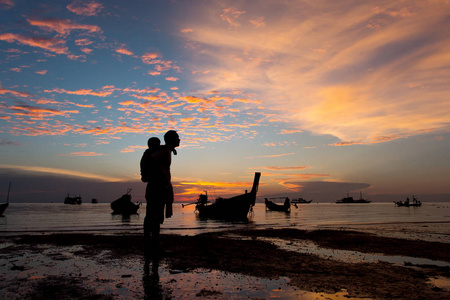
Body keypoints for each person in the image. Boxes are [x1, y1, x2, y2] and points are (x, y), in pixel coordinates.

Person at [142, 130, 180, 257]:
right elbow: (153, 160)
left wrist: (172, 150)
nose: (179, 140)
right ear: (171, 140)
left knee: (154, 218)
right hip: (156, 188)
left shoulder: (166, 150)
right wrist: (155, 176)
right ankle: (153, 246)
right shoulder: (163, 151)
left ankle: (151, 245)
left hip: (159, 188)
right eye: (177, 138)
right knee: (153, 218)